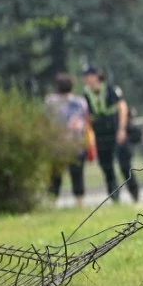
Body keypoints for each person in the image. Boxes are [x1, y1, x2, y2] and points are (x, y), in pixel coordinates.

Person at [82, 65, 139, 202]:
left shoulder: (110, 90)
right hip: (101, 135)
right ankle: (115, 198)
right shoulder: (86, 95)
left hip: (116, 132)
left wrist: (122, 129)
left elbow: (122, 108)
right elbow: (88, 117)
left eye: (88, 76)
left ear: (96, 76)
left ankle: (135, 195)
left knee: (125, 166)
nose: (86, 79)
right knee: (107, 168)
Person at [44, 73, 89, 208]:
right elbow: (84, 121)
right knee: (78, 175)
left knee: (55, 177)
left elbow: (45, 121)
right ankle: (79, 203)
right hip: (76, 144)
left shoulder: (50, 102)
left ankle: (52, 203)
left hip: (56, 145)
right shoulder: (80, 102)